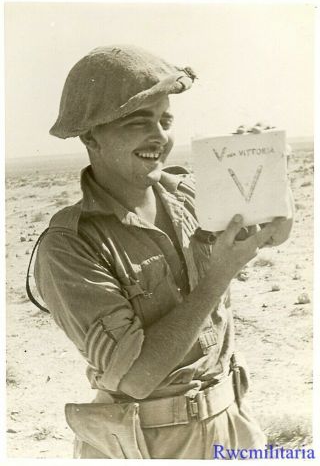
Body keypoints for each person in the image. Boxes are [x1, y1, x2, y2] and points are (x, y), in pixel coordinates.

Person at [33, 45, 293, 459]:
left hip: (234, 421)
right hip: (150, 443)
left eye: (165, 120)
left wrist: (265, 173)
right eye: (139, 122)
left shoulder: (189, 193)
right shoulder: (70, 246)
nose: (159, 136)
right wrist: (217, 278)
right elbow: (136, 378)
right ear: (90, 137)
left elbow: (274, 233)